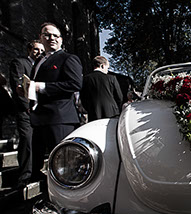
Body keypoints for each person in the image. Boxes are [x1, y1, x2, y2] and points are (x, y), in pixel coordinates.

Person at [29, 22, 82, 183]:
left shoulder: (68, 59)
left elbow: (74, 84)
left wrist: (41, 87)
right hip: (39, 119)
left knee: (64, 165)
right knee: (42, 166)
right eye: (47, 34)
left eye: (55, 35)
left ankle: (68, 200)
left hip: (59, 119)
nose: (51, 38)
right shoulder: (39, 61)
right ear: (40, 37)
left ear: (60, 39)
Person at [9, 40, 44, 187]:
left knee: (39, 142)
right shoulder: (20, 63)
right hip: (25, 111)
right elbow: (17, 86)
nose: (39, 53)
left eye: (42, 51)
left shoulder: (42, 67)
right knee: (27, 141)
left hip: (40, 112)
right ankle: (24, 176)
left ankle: (36, 170)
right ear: (30, 49)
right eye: (36, 50)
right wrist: (27, 107)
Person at [80, 56, 123, 122]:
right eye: (107, 68)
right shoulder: (111, 78)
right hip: (112, 113)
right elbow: (119, 97)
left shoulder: (86, 79)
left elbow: (83, 98)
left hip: (94, 113)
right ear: (102, 66)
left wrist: (90, 108)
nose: (107, 71)